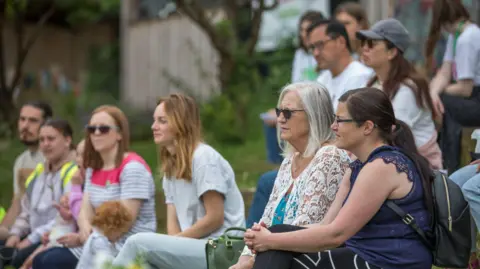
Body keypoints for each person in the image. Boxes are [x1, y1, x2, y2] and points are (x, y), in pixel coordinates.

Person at [244, 87, 433, 269]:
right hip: (363, 255)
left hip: (389, 262)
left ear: (367, 127)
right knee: (279, 233)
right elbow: (326, 225)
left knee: (281, 250)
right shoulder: (358, 166)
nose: (333, 127)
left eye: (340, 121)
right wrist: (268, 235)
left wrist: (269, 241)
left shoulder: (383, 166)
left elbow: (336, 235)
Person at [112, 93, 245, 269]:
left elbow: (215, 218)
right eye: (154, 120)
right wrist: (171, 246)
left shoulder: (203, 158)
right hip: (195, 247)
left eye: (162, 121)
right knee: (145, 264)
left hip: (221, 250)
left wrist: (172, 244)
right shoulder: (170, 167)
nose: (154, 126)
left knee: (137, 244)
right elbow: (173, 223)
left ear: (180, 123)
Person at [230, 82, 350, 269]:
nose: (280, 120)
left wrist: (252, 263)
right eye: (279, 112)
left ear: (313, 115)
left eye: (288, 113)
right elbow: (266, 220)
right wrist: (242, 261)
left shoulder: (329, 156)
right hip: (273, 257)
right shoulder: (290, 161)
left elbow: (302, 227)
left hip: (308, 260)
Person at [32, 105, 156, 269]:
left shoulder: (132, 168)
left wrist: (84, 238)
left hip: (126, 245)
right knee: (40, 260)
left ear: (119, 134)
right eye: (92, 129)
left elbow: (122, 224)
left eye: (104, 129)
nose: (96, 133)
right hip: (95, 239)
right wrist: (85, 232)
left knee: (51, 262)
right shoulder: (93, 168)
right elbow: (85, 210)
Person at [357, 18, 442, 170]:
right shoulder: (371, 83)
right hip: (390, 161)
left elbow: (392, 137)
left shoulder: (407, 89)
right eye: (363, 43)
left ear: (392, 52)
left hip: (419, 170)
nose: (364, 48)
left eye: (371, 44)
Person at [0, 119, 77, 269]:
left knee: (17, 259)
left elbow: (63, 219)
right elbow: (26, 211)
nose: (45, 144)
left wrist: (29, 240)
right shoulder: (38, 172)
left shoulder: (73, 173)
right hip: (30, 234)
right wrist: (15, 234)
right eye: (42, 140)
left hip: (53, 238)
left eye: (51, 139)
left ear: (67, 141)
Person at [425, 0, 480, 172]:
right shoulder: (455, 36)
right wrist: (432, 94)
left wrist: (438, 95)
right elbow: (444, 72)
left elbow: (465, 88)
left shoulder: (467, 38)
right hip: (470, 96)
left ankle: (450, 164)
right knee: (437, 100)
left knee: (445, 105)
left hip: (475, 98)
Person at [0, 102, 52, 235]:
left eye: (33, 121)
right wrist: (4, 229)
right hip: (22, 228)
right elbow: (18, 202)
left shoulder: (54, 158)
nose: (25, 126)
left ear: (47, 124)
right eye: (22, 119)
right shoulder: (21, 161)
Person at [309, 19, 373, 111]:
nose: (315, 53)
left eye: (320, 44)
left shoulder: (362, 77)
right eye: (312, 47)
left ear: (341, 42)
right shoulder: (322, 80)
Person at [75, 201, 133, 269]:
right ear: (111, 228)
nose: (121, 235)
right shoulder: (98, 240)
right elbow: (108, 263)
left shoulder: (108, 240)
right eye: (120, 232)